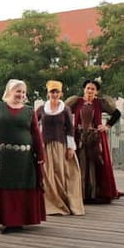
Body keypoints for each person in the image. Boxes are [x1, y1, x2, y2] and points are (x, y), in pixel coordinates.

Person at [0, 79, 46, 233]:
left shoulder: (29, 111)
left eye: (23, 92)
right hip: (4, 157)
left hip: (24, 158)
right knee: (6, 187)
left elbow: (36, 134)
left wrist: (41, 155)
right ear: (10, 91)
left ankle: (19, 221)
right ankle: (7, 221)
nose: (21, 94)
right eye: (18, 91)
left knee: (21, 187)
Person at [65, 78, 124, 203]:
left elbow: (117, 113)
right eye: (88, 88)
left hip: (95, 137)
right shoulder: (76, 102)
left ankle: (94, 193)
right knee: (79, 162)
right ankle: (79, 193)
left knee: (95, 162)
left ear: (96, 91)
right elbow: (63, 112)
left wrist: (106, 126)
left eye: (93, 89)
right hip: (79, 136)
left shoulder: (100, 103)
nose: (90, 91)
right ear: (84, 89)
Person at [36, 80, 85, 215]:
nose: (55, 94)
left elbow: (70, 128)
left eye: (57, 92)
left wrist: (70, 147)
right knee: (47, 175)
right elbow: (33, 125)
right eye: (52, 92)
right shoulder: (41, 109)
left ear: (61, 93)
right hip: (45, 146)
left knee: (60, 173)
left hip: (60, 145)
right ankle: (50, 203)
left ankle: (63, 201)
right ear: (48, 93)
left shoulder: (65, 109)